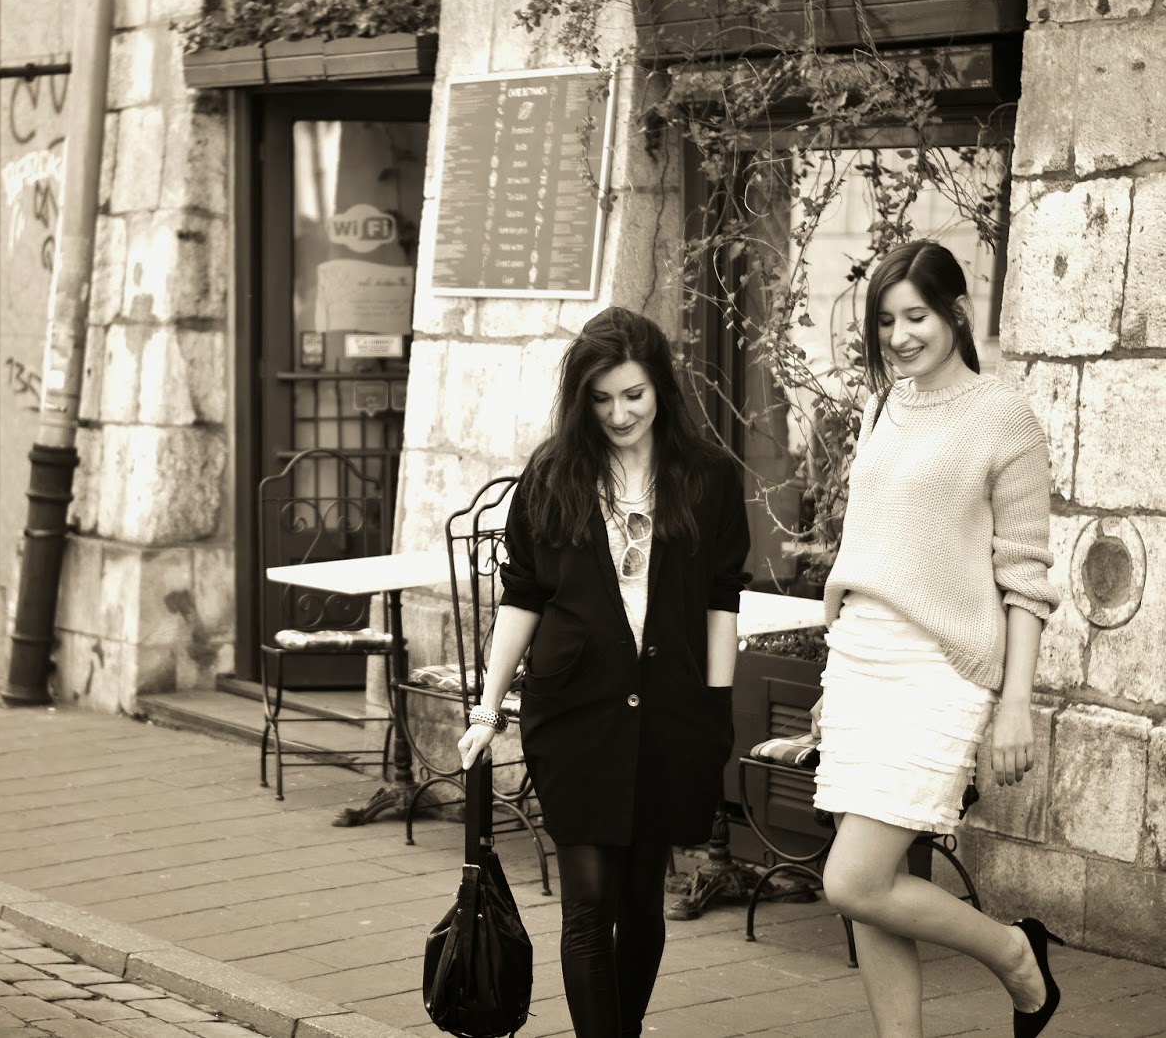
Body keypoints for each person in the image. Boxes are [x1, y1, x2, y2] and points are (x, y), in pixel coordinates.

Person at [456, 306, 750, 1038]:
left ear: (661, 389)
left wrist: (717, 709)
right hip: (573, 713)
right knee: (588, 903)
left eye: (634, 395)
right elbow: (522, 596)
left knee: (641, 902)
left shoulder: (707, 477)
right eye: (601, 398)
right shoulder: (553, 474)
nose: (619, 414)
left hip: (671, 716)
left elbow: (722, 599)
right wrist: (487, 710)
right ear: (580, 398)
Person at [812, 240, 1064, 1038]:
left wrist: (1015, 703)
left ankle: (1015, 952)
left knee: (853, 880)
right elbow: (870, 547)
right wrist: (831, 678)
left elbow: (1025, 576)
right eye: (886, 321)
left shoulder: (1004, 416)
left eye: (915, 316)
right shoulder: (883, 407)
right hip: (860, 659)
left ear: (956, 311)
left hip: (939, 669)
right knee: (877, 888)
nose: (899, 336)